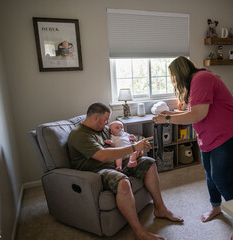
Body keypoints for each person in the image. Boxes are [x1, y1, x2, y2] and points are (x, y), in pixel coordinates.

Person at [153, 56, 233, 224]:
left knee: (223, 179)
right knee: (210, 175)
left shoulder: (201, 79)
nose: (173, 81)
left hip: (229, 134)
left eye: (173, 77)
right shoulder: (195, 84)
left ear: (179, 73)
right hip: (210, 137)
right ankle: (216, 207)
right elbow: (194, 112)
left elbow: (197, 115)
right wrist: (168, 115)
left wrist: (167, 118)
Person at [68, 102, 183, 240]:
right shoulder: (79, 135)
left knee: (149, 163)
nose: (106, 124)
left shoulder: (102, 129)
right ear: (95, 119)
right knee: (122, 182)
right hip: (96, 171)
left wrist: (136, 151)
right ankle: (139, 231)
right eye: (105, 120)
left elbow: (118, 143)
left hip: (116, 163)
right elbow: (103, 155)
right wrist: (133, 148)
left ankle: (160, 209)